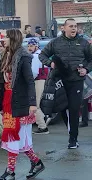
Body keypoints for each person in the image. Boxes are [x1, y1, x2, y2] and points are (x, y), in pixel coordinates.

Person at [0, 29, 45, 180]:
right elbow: (5, 81)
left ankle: (10, 171)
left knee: (16, 137)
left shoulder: (23, 57)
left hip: (20, 102)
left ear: (13, 38)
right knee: (17, 138)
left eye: (6, 37)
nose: (3, 39)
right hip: (8, 101)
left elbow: (29, 81)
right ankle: (36, 162)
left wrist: (32, 104)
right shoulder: (6, 55)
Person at [39, 18, 92, 149]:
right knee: (63, 108)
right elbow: (42, 55)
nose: (74, 28)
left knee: (74, 108)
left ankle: (73, 139)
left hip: (76, 81)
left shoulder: (84, 43)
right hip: (60, 81)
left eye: (75, 26)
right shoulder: (55, 43)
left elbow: (91, 60)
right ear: (64, 28)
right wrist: (50, 63)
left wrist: (86, 69)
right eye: (71, 26)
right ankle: (71, 133)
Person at [27, 39, 50, 134]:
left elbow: (34, 73)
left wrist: (28, 81)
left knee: (35, 105)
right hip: (43, 80)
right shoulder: (41, 55)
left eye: (31, 46)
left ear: (36, 46)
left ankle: (42, 127)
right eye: (28, 46)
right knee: (37, 104)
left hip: (38, 81)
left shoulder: (35, 57)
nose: (29, 48)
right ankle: (45, 118)